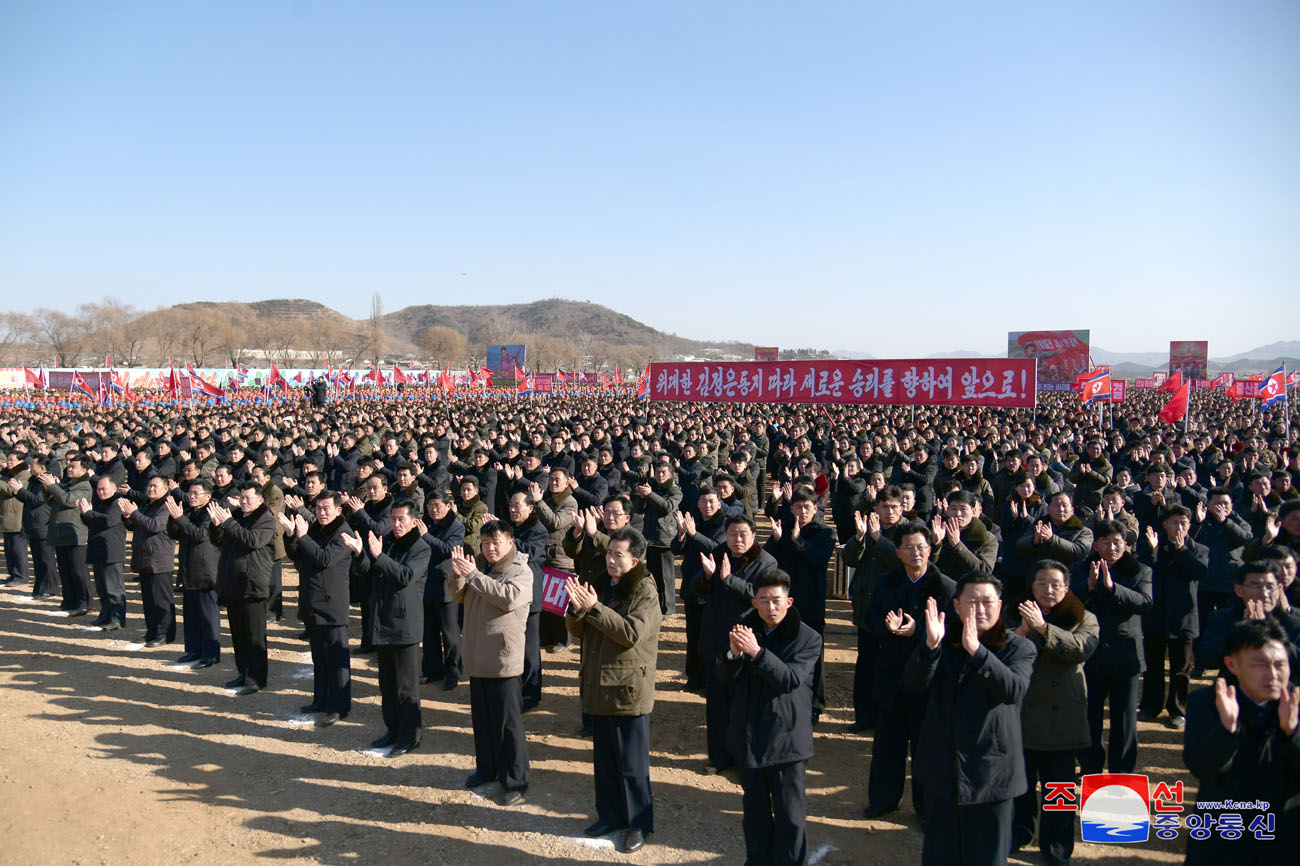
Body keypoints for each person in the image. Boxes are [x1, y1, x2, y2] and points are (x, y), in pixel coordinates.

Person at [905, 574, 1036, 866]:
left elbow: (1013, 690)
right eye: (971, 602)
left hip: (992, 774)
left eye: (987, 602)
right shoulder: (942, 643)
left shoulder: (1019, 648)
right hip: (943, 770)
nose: (979, 609)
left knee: (987, 858)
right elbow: (914, 684)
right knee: (941, 856)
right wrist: (928, 648)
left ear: (1000, 606)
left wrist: (978, 652)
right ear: (956, 606)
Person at [565, 527, 661, 854]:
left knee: (632, 765)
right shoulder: (603, 584)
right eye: (609, 553)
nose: (611, 560)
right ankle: (610, 815)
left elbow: (631, 633)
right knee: (604, 760)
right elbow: (579, 630)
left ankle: (639, 823)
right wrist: (577, 608)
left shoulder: (645, 590)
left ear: (635, 560)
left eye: (618, 555)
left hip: (627, 687)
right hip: (599, 683)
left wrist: (593, 608)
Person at [719, 569, 822, 866]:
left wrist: (756, 652)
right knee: (755, 813)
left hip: (787, 740)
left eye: (776, 600)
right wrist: (733, 655)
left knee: (790, 816)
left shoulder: (808, 638)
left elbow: (790, 679)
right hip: (749, 735)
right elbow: (723, 676)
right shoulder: (744, 628)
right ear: (754, 604)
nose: (770, 607)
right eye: (763, 600)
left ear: (789, 602)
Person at [1183, 618, 1300, 865]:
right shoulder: (1207, 701)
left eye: (1280, 664)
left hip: (1285, 838)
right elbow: (1202, 768)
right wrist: (1227, 731)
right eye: (1260, 664)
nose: (1273, 675)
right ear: (1232, 664)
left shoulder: (1295, 703)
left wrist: (1292, 732)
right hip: (1224, 837)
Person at [862, 520, 956, 819]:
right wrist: (887, 628)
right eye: (909, 547)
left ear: (930, 549)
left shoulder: (946, 586)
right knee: (888, 743)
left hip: (929, 677)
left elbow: (953, 632)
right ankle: (883, 800)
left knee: (926, 747)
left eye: (921, 547)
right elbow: (871, 618)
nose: (916, 553)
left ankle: (926, 807)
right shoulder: (887, 582)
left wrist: (918, 632)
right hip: (891, 672)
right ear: (898, 552)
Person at [1008, 560, 1099, 866]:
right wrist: (1021, 631)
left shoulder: (1084, 617)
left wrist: (1044, 629)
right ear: (1031, 588)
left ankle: (1057, 847)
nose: (1048, 590)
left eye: (1055, 584)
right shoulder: (1012, 613)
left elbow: (1080, 649)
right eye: (1041, 583)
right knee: (1020, 784)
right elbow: (994, 651)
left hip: (1063, 716)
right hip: (1022, 711)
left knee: (1058, 789)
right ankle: (1019, 833)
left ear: (1066, 587)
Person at [447, 521, 531, 805]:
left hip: (502, 660)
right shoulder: (478, 567)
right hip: (477, 657)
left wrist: (473, 576)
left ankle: (515, 781)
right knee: (482, 722)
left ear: (510, 542)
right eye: (485, 542)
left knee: (508, 725)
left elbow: (507, 598)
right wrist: (459, 574)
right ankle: (487, 769)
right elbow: (455, 595)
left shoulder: (521, 570)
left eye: (496, 542)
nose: (490, 547)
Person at [695, 514, 781, 775]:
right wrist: (708, 578)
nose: (738, 539)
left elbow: (761, 598)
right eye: (733, 534)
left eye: (743, 534)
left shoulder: (766, 562)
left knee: (744, 704)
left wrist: (728, 580)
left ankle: (745, 756)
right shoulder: (718, 553)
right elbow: (694, 588)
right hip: (716, 639)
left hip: (746, 640)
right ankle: (718, 756)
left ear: (754, 536)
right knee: (717, 704)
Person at [1070, 519, 1153, 775]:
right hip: (1091, 653)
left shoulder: (1140, 570)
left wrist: (1113, 588)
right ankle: (1090, 766)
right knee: (1089, 715)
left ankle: (1122, 771)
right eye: (1105, 541)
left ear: (1126, 544)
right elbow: (1069, 605)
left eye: (1117, 542)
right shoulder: (1082, 568)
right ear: (1095, 544)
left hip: (1125, 655)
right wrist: (1089, 586)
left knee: (1125, 719)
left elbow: (1145, 602)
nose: (1111, 547)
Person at [350, 498, 430, 755]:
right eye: (393, 519)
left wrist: (378, 555)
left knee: (406, 687)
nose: (395, 524)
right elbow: (368, 572)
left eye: (401, 519)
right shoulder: (388, 543)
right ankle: (392, 728)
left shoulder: (420, 548)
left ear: (413, 521)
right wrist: (360, 553)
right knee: (387, 683)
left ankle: (410, 736)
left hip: (404, 624)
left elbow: (405, 576)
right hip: (382, 620)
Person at [281, 490, 355, 727]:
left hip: (332, 605)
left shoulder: (343, 533)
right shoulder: (316, 530)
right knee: (319, 657)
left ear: (338, 510)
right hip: (313, 601)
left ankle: (339, 705)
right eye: (318, 508)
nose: (321, 513)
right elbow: (298, 556)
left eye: (326, 508)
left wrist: (302, 537)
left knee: (336, 658)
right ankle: (321, 699)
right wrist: (292, 535)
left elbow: (323, 559)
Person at [765, 487, 834, 721]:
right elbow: (768, 559)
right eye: (798, 506)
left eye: (807, 507)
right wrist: (776, 541)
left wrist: (797, 541)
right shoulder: (782, 529)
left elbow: (819, 558)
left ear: (815, 509)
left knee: (814, 655)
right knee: (784, 651)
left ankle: (815, 703)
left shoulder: (825, 533)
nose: (802, 511)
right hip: (784, 605)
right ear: (791, 508)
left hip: (812, 602)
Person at [1137, 505, 1208, 729]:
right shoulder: (1153, 546)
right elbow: (1145, 570)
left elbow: (1199, 572)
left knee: (1181, 669)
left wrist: (1181, 550)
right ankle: (1151, 706)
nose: (1179, 527)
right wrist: (1152, 550)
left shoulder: (1198, 549)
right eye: (1175, 522)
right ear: (1165, 524)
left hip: (1184, 616)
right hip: (1157, 614)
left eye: (1184, 523)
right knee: (1153, 665)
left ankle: (1178, 710)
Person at [210, 481, 276, 695]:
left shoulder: (266, 519)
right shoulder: (238, 516)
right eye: (242, 498)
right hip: (233, 582)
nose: (244, 502)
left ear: (260, 500)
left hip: (253, 583)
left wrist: (228, 522)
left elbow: (251, 540)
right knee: (238, 633)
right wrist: (216, 525)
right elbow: (220, 541)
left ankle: (257, 678)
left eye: (249, 498)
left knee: (254, 635)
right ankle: (243, 672)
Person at [166, 478, 221, 667]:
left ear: (208, 496)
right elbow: (174, 533)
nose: (192, 496)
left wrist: (180, 518)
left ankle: (211, 654)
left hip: (206, 571)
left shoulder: (211, 512)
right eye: (190, 493)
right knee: (191, 616)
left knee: (208, 616)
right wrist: (174, 517)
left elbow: (200, 535)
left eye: (196, 493)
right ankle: (193, 649)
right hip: (188, 570)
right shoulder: (189, 511)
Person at [119, 475, 178, 647]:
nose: (151, 489)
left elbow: (155, 526)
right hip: (145, 558)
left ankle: (164, 634)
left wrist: (134, 513)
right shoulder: (148, 505)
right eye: (149, 486)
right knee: (149, 601)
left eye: (155, 486)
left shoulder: (167, 506)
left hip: (159, 560)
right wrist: (127, 516)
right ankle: (152, 631)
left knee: (161, 600)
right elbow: (135, 525)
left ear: (166, 488)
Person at [416, 491, 466, 689]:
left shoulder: (456, 526)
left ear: (448, 505)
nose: (434, 509)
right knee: (429, 632)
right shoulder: (426, 523)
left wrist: (425, 536)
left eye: (438, 505)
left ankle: (453, 672)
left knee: (450, 633)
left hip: (447, 585)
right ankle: (432, 670)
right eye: (430, 505)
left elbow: (448, 550)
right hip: (426, 583)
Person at [39, 453, 94, 615]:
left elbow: (68, 500)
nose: (69, 469)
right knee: (65, 569)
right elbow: (52, 501)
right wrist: (47, 489)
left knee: (78, 571)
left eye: (73, 467)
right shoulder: (67, 483)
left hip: (75, 533)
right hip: (61, 533)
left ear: (84, 469)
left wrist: (53, 487)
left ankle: (85, 603)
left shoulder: (84, 485)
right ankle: (69, 601)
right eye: (69, 466)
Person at [76, 476, 127, 630]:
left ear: (113, 488)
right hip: (98, 549)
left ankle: (117, 619)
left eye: (103, 489)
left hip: (111, 550)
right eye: (98, 489)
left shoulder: (118, 502)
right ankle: (105, 615)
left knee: (114, 588)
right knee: (102, 588)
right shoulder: (98, 502)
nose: (100, 492)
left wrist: (89, 513)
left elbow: (109, 521)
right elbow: (91, 521)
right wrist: (83, 513)